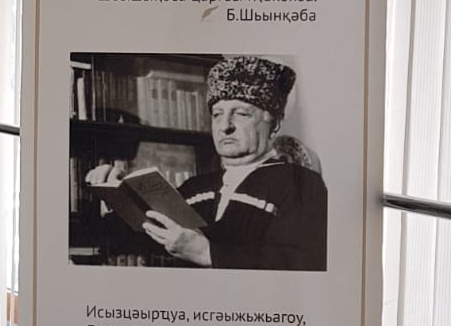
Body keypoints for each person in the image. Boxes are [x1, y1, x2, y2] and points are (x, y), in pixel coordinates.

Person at [87, 56, 327, 270]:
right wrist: (120, 194)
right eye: (217, 114)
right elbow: (129, 238)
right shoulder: (194, 188)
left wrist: (206, 253)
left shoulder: (301, 184)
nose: (225, 126)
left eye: (241, 113)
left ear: (274, 124)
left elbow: (306, 264)